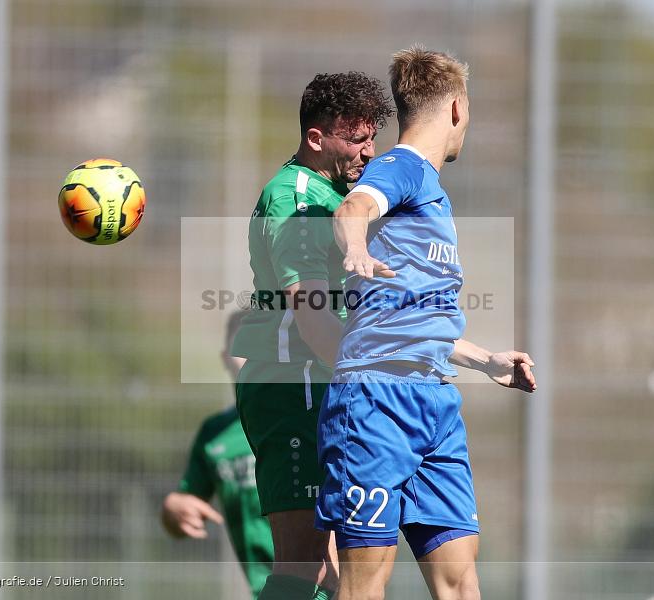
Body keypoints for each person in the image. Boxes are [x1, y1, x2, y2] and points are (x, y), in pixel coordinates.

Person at [315, 47, 538, 600]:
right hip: (376, 404)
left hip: (433, 404)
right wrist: (357, 247)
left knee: (460, 581)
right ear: (458, 109)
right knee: (366, 581)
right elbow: (353, 209)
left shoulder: (433, 198)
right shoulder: (403, 166)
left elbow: (417, 319)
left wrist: (485, 360)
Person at [230, 72, 394, 600]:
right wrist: (368, 377)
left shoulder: (332, 192)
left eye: (373, 139)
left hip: (312, 382)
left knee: (332, 570)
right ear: (316, 138)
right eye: (356, 140)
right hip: (292, 382)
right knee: (302, 561)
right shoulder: (299, 197)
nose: (368, 152)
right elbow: (310, 310)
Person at [161, 310, 273, 598]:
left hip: (324, 582)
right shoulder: (215, 434)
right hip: (262, 589)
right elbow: (186, 503)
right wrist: (172, 511)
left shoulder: (308, 417)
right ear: (225, 358)